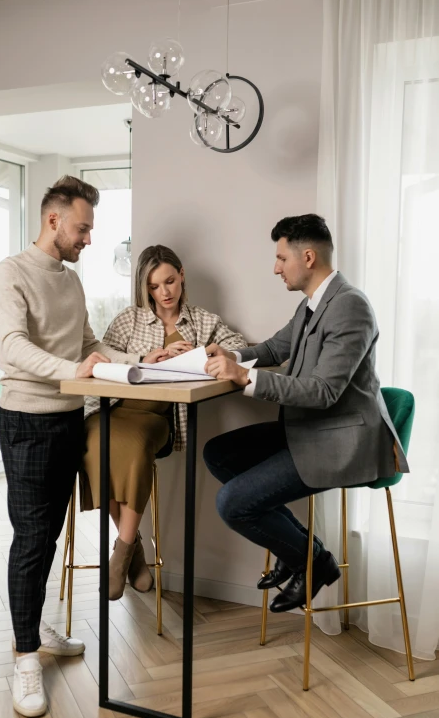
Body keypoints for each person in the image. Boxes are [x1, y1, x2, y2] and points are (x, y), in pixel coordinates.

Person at [203, 214, 408, 613]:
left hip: (340, 441)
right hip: (310, 429)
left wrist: (245, 377)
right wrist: (233, 355)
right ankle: (307, 553)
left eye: (281, 258)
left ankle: (308, 562)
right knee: (218, 453)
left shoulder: (350, 307)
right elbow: (276, 348)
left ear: (308, 257)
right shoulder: (313, 304)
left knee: (232, 503)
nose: (276, 267)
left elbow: (324, 391)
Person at [0, 176, 141, 718]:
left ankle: (30, 623)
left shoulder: (71, 281)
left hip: (69, 419)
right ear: (54, 221)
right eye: (83, 228)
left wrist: (124, 364)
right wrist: (74, 374)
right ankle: (25, 657)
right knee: (31, 538)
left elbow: (86, 343)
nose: (88, 239)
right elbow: (13, 348)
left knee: (50, 534)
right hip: (27, 421)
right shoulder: (11, 273)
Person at [82, 244, 247, 600]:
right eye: (155, 286)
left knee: (136, 447)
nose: (165, 292)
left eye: (170, 281)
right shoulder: (130, 319)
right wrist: (144, 358)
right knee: (93, 446)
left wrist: (205, 354)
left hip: (155, 419)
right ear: (146, 288)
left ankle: (120, 557)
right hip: (114, 409)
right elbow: (101, 356)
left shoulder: (203, 321)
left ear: (181, 275)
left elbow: (238, 346)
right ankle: (132, 553)